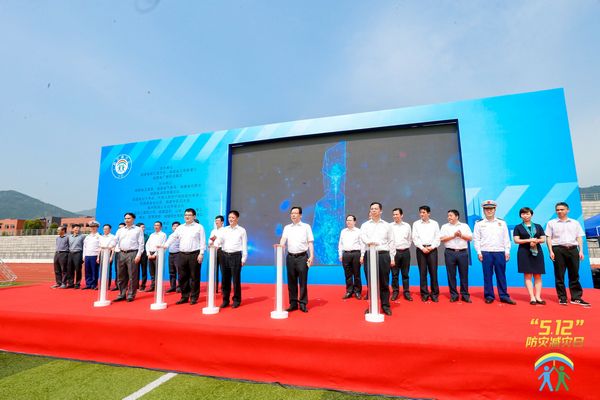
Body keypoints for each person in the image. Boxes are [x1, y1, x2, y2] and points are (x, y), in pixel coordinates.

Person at [545, 202, 590, 306]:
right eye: (557, 210)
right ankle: (562, 298)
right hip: (558, 249)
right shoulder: (551, 223)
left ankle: (576, 297)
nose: (559, 211)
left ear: (567, 210)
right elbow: (548, 238)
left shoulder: (575, 222)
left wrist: (581, 250)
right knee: (559, 275)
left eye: (562, 209)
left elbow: (579, 237)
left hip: (573, 250)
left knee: (574, 274)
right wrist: (551, 251)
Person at [473, 200, 515, 304]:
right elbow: (476, 239)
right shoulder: (479, 224)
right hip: (486, 252)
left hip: (499, 252)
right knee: (487, 275)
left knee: (501, 275)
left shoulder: (502, 223)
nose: (489, 211)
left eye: (491, 209)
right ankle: (489, 296)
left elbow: (506, 238)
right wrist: (479, 252)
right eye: (487, 209)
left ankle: (504, 296)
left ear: (495, 209)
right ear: (483, 210)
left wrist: (507, 251)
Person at [163, 208, 206, 305]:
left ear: (194, 216)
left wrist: (201, 253)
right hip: (182, 254)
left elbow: (202, 241)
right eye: (185, 215)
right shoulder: (180, 227)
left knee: (194, 277)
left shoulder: (199, 227)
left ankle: (194, 297)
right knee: (182, 277)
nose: (187, 217)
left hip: (194, 254)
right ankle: (184, 296)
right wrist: (165, 245)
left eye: (189, 215)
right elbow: (173, 237)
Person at [360, 202, 395, 316]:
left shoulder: (387, 225)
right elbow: (363, 237)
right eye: (372, 209)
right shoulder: (365, 225)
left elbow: (391, 242)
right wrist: (369, 242)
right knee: (371, 282)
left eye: (376, 209)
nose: (373, 210)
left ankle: (385, 305)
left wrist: (392, 257)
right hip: (370, 254)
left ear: (381, 211)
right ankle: (372, 306)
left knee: (384, 281)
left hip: (383, 255)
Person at [279, 206, 314, 313]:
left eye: (295, 213)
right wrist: (280, 246)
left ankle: (303, 303)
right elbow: (283, 239)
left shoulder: (306, 227)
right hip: (290, 257)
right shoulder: (287, 227)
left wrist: (311, 256)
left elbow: (310, 242)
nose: (293, 215)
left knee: (303, 281)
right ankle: (293, 303)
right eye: (291, 213)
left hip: (302, 257)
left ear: (300, 215)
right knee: (291, 281)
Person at [513, 207, 546, 305]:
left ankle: (538, 297)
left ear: (531, 214)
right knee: (527, 275)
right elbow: (516, 240)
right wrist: (529, 240)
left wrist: (536, 241)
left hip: (537, 252)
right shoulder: (518, 227)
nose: (525, 216)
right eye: (523, 214)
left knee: (538, 275)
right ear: (520, 216)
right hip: (524, 252)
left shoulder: (538, 226)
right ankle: (532, 297)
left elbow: (543, 239)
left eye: (527, 213)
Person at [215, 210, 247, 308]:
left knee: (236, 280)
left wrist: (243, 258)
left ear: (237, 218)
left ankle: (236, 300)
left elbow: (244, 245)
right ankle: (225, 300)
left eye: (233, 217)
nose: (231, 219)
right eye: (229, 218)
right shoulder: (224, 230)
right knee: (225, 279)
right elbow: (219, 240)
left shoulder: (242, 230)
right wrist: (215, 245)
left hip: (236, 256)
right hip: (224, 256)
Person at [440, 209, 473, 303]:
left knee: (464, 275)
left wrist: (461, 235)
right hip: (450, 252)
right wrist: (453, 236)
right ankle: (454, 295)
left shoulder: (464, 226)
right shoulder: (445, 226)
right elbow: (442, 239)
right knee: (451, 275)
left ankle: (465, 295)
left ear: (457, 216)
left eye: (451, 215)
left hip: (462, 253)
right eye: (448, 216)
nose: (449, 217)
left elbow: (470, 238)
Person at [412, 206, 441, 302]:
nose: (422, 214)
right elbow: (415, 238)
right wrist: (422, 248)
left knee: (433, 272)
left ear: (429, 213)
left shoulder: (434, 223)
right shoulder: (416, 224)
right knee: (422, 273)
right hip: (421, 250)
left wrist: (431, 247)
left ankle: (434, 294)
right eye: (420, 212)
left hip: (432, 249)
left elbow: (437, 237)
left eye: (424, 212)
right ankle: (424, 293)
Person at [114, 213, 144, 302]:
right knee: (121, 275)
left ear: (133, 219)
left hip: (132, 253)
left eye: (129, 218)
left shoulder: (138, 230)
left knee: (132, 275)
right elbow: (115, 240)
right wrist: (109, 247)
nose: (126, 220)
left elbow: (141, 243)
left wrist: (138, 255)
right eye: (125, 218)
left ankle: (131, 294)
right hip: (121, 253)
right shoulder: (120, 230)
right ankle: (122, 294)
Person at [338, 214, 363, 299]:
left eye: (350, 220)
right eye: (347, 220)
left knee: (356, 274)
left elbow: (362, 244)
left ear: (354, 222)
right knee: (347, 274)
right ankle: (349, 291)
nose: (348, 222)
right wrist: (340, 254)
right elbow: (340, 244)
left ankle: (357, 291)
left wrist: (362, 255)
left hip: (356, 254)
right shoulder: (343, 231)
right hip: (346, 254)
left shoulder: (358, 231)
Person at [390, 208, 412, 301]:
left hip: (405, 252)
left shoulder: (407, 226)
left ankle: (406, 292)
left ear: (401, 215)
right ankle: (395, 292)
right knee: (394, 274)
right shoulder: (390, 226)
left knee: (405, 274)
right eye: (394, 214)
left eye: (397, 214)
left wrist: (405, 247)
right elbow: (389, 241)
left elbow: (410, 239)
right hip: (394, 252)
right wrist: (391, 255)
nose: (395, 216)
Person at [145, 221, 167, 292]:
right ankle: (153, 286)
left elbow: (163, 245)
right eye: (155, 225)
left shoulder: (163, 235)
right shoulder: (152, 235)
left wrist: (155, 255)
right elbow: (147, 244)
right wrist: (148, 254)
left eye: (157, 225)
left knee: (158, 272)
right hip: (150, 254)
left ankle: (158, 287)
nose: (156, 226)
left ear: (161, 227)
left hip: (158, 254)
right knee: (152, 272)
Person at [82, 221, 102, 290]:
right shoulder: (87, 237)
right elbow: (84, 247)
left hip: (94, 255)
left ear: (97, 227)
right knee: (87, 270)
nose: (93, 228)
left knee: (94, 271)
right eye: (91, 227)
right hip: (87, 255)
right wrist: (84, 256)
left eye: (94, 227)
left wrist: (98, 257)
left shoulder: (99, 236)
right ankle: (88, 284)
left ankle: (94, 284)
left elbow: (100, 248)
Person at [209, 215, 225, 292]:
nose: (216, 222)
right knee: (214, 270)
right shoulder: (213, 231)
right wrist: (210, 243)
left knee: (223, 270)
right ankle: (215, 288)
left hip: (222, 251)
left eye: (218, 220)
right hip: (213, 251)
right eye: (215, 220)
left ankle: (223, 288)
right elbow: (210, 240)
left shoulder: (225, 230)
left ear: (222, 222)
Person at [67, 224, 85, 289]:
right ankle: (70, 283)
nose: (77, 229)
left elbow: (84, 246)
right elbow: (68, 245)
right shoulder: (69, 237)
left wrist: (83, 256)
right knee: (70, 269)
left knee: (78, 269)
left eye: (78, 228)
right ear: (72, 229)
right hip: (70, 254)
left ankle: (77, 284)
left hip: (78, 253)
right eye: (76, 228)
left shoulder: (82, 236)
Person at [98, 224, 116, 290]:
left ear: (110, 229)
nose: (105, 230)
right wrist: (98, 257)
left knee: (108, 270)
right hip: (102, 253)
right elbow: (99, 247)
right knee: (101, 269)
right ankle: (101, 285)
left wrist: (111, 257)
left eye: (106, 229)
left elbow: (113, 248)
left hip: (108, 253)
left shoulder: (113, 237)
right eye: (104, 229)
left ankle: (107, 285)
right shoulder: (101, 237)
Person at [110, 222, 125, 291]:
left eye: (121, 227)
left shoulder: (126, 235)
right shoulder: (117, 235)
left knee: (124, 271)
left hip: (123, 253)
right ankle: (117, 285)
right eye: (119, 228)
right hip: (117, 253)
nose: (120, 229)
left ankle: (124, 285)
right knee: (117, 270)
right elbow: (113, 244)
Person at [166, 221, 180, 293]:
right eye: (174, 226)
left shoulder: (181, 235)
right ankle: (172, 287)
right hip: (171, 255)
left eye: (177, 226)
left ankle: (180, 287)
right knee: (171, 272)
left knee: (179, 271)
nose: (175, 227)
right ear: (172, 227)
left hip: (178, 254)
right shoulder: (170, 236)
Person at [136, 223, 150, 291]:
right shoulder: (135, 235)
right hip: (136, 254)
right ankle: (136, 285)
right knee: (135, 270)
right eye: (142, 227)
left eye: (144, 227)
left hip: (144, 254)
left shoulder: (147, 236)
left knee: (144, 270)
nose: (143, 228)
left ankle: (143, 285)